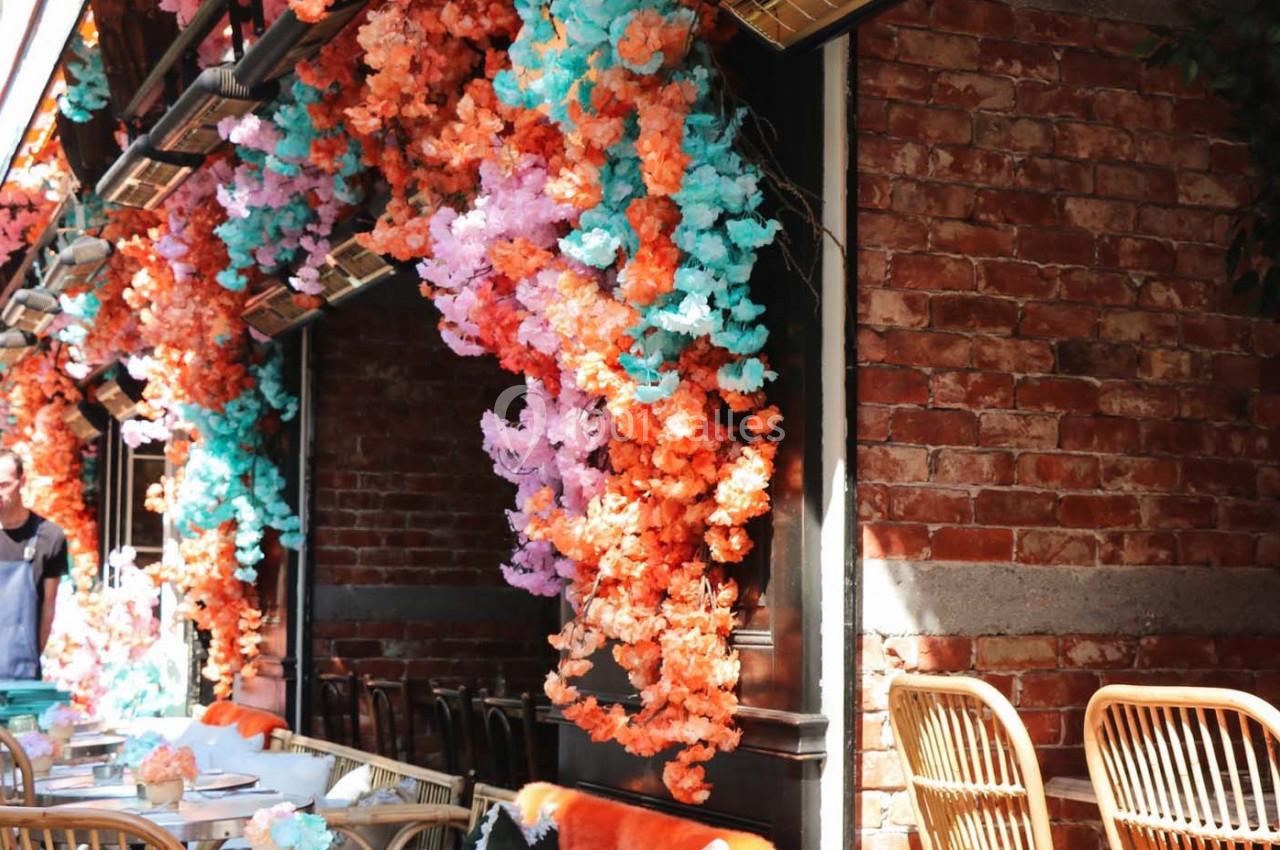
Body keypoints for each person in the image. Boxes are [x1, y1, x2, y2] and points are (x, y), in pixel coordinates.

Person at [0, 450, 69, 679]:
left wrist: (31, 661)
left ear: (22, 482)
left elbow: (48, 606)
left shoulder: (49, 537)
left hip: (21, 678)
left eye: (4, 485)